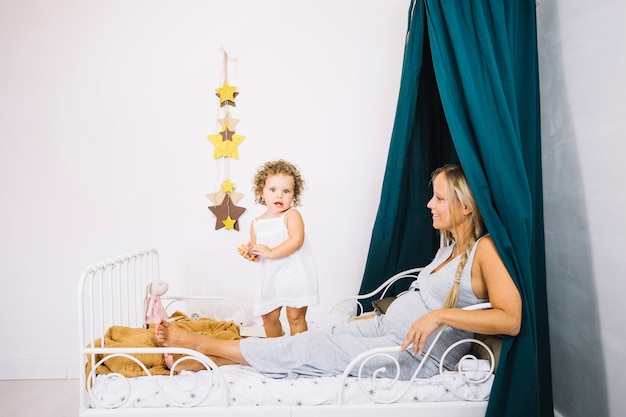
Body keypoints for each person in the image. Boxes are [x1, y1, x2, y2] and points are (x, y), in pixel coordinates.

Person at [157, 163, 522, 379]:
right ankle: (213, 363)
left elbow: (511, 319)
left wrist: (439, 316)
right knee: (318, 335)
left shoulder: (484, 250)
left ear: (466, 205)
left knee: (312, 344)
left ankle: (202, 345)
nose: (430, 204)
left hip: (409, 354)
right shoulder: (449, 247)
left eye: (439, 198)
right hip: (386, 332)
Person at [237, 159, 319, 337]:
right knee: (268, 316)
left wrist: (272, 252)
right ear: (261, 192)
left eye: (286, 191)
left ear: (294, 195)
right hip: (269, 278)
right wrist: (250, 252)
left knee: (295, 316)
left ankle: (301, 352)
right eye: (272, 190)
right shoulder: (256, 223)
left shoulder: (291, 215)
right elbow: (258, 252)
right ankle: (277, 350)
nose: (279, 196)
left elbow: (296, 240)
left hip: (294, 275)